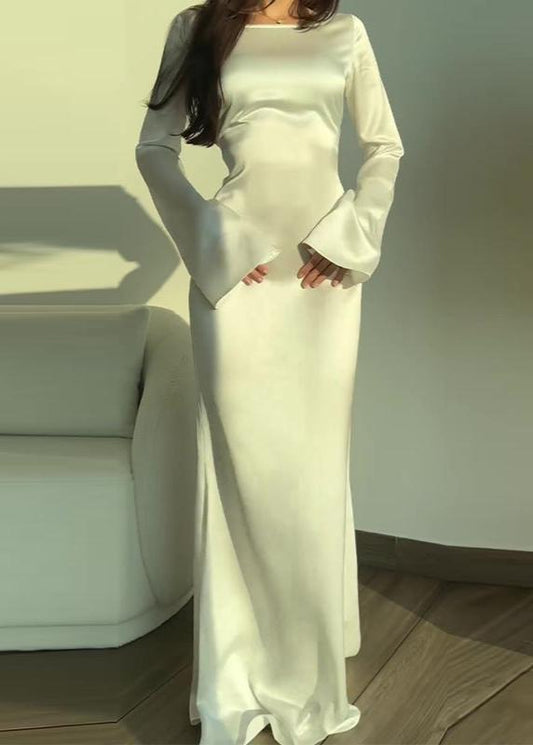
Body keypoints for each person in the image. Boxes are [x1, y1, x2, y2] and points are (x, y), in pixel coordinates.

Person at [135, 1, 404, 743]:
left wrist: (351, 236)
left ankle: (312, 658)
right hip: (236, 278)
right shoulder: (196, 27)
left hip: (324, 276)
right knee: (241, 469)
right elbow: (153, 149)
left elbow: (385, 146)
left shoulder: (343, 32)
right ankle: (239, 672)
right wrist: (214, 235)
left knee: (312, 467)